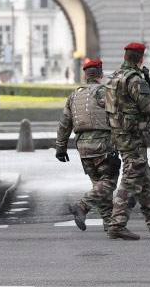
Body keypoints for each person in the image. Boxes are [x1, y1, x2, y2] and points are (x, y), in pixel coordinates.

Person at [104, 42, 150, 240]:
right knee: (131, 179)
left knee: (147, 183)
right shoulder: (134, 79)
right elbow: (149, 107)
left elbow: (132, 90)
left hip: (121, 134)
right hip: (134, 137)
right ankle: (117, 223)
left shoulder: (116, 76)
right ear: (140, 58)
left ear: (126, 57)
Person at [56, 59, 119, 232]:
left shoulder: (74, 95)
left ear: (85, 75)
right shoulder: (105, 92)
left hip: (83, 147)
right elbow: (118, 118)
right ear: (101, 75)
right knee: (109, 182)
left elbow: (64, 123)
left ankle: (108, 222)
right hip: (102, 144)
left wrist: (60, 147)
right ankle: (82, 205)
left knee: (98, 184)